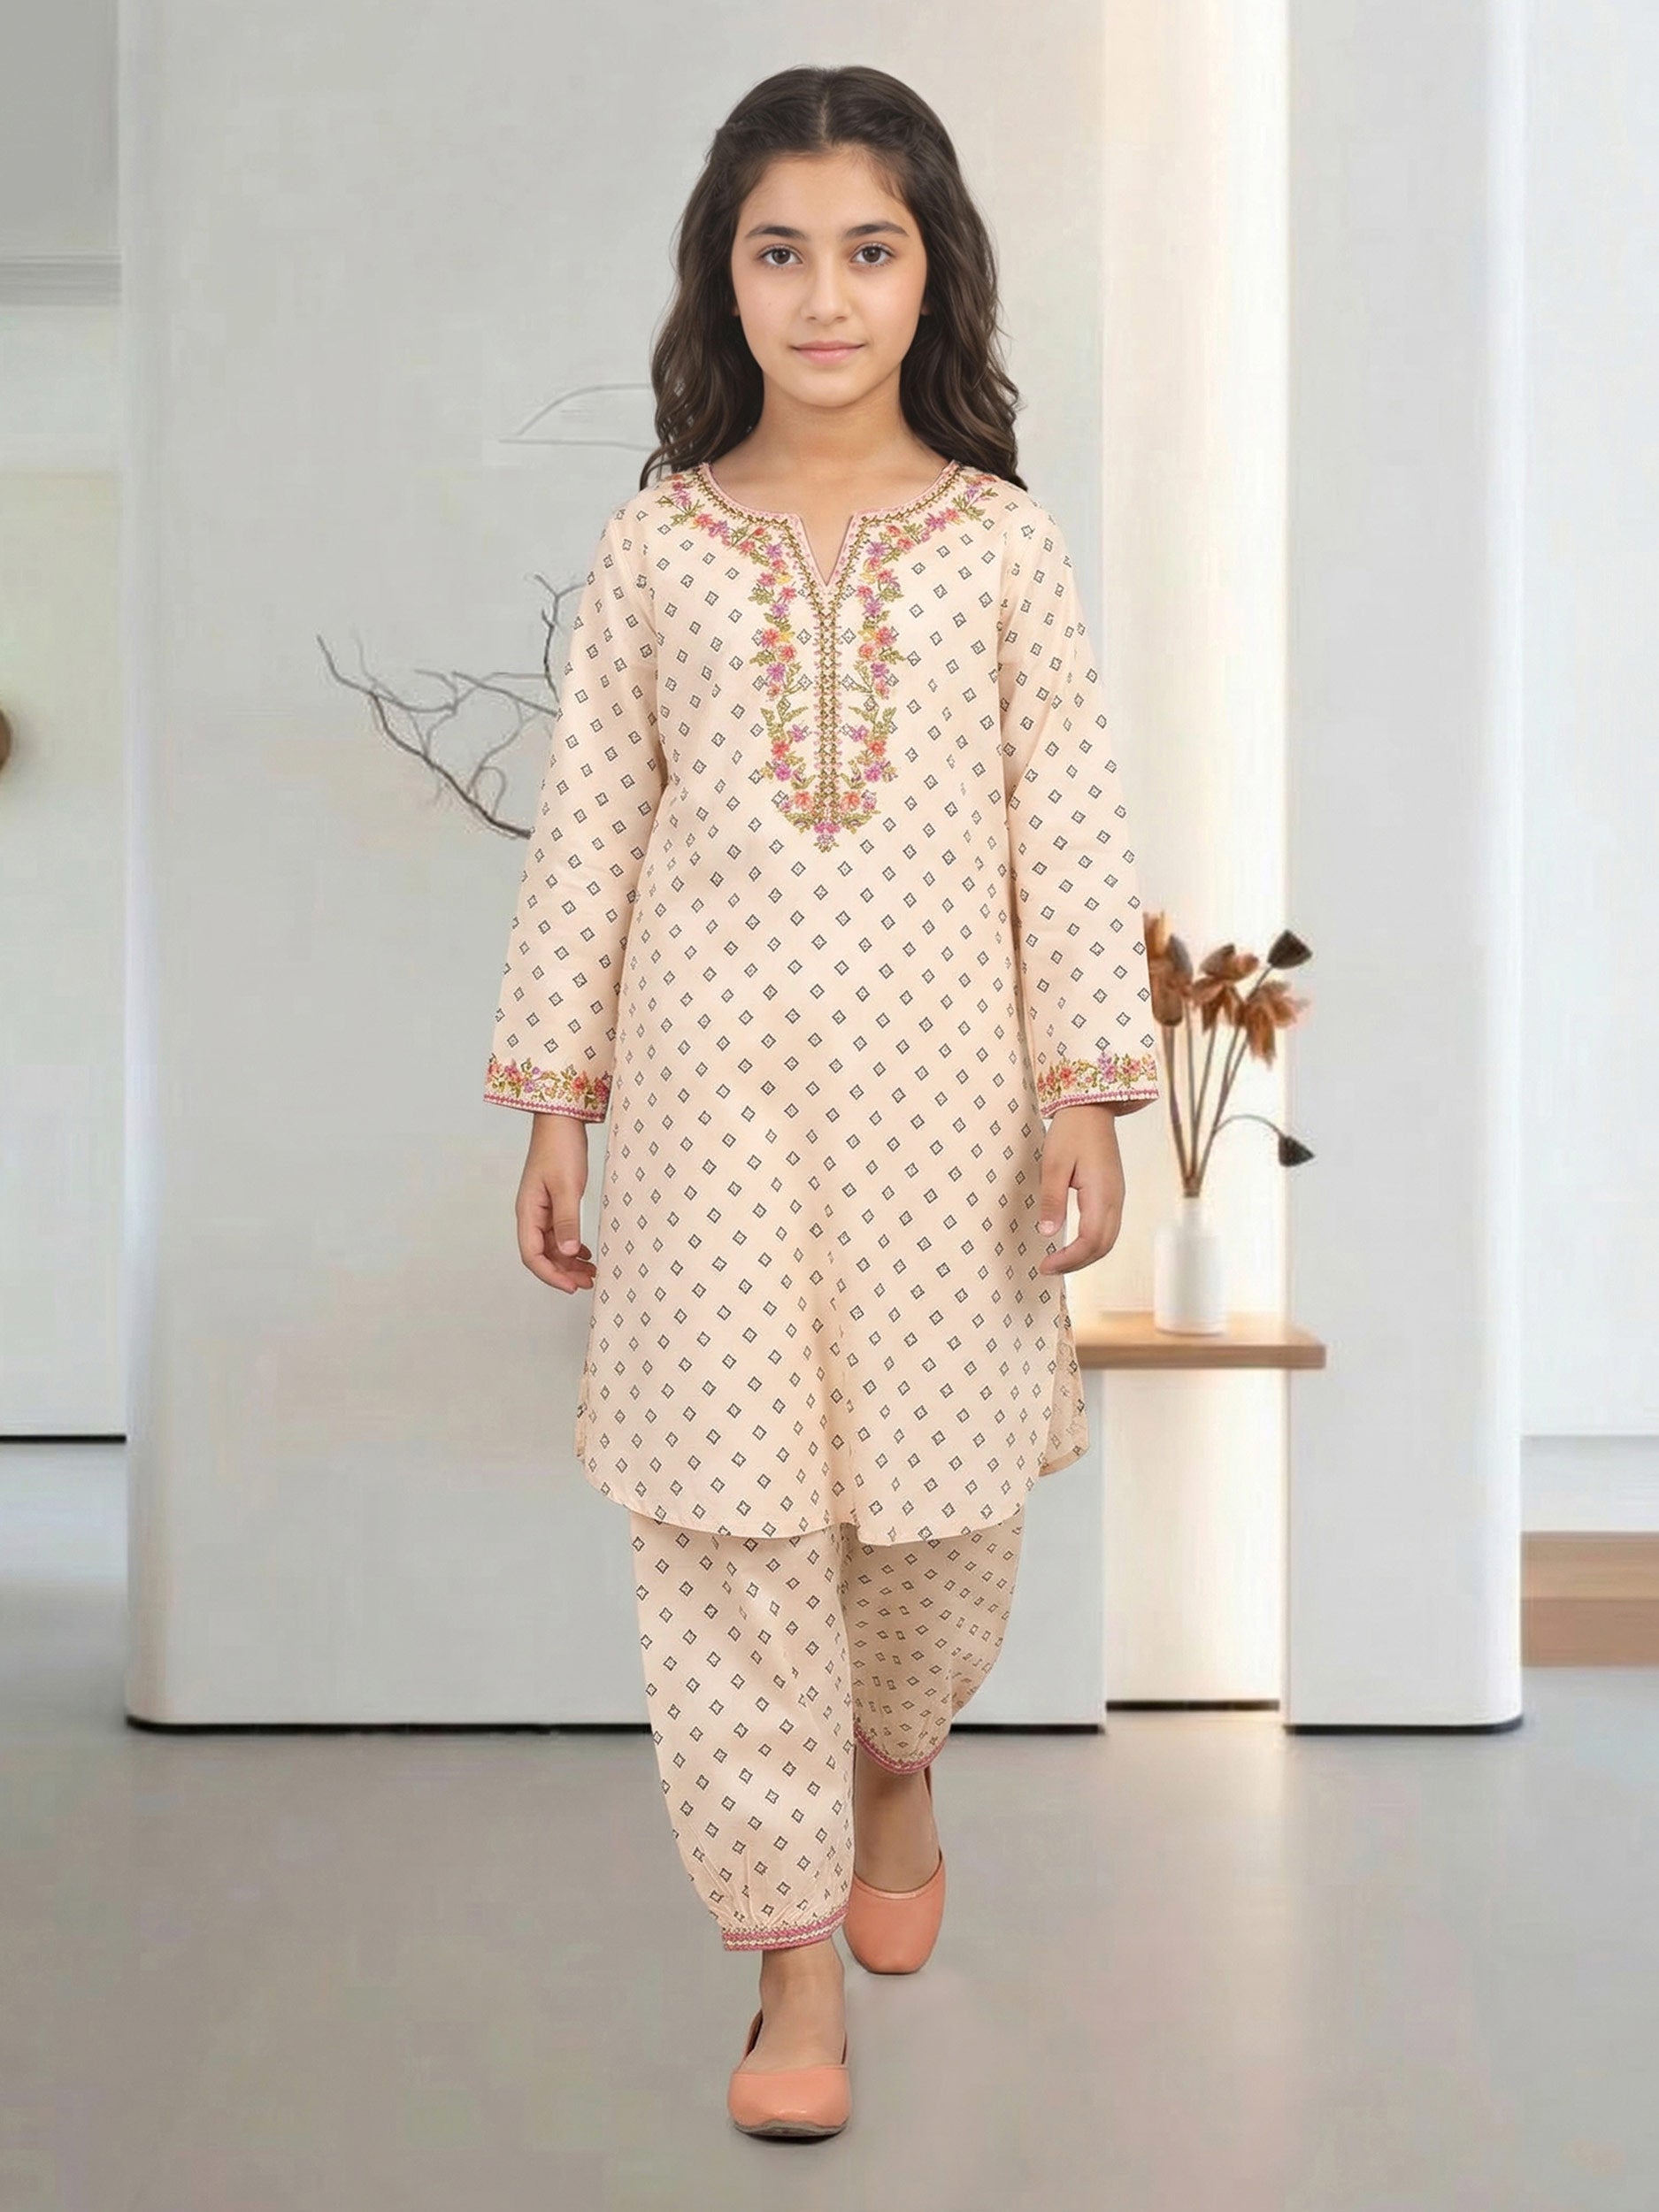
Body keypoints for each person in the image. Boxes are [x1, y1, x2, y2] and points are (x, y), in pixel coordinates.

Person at [483, 63, 1160, 2140]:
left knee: (940, 1522)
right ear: (723, 274)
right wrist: (556, 1100)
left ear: (931, 270)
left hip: (949, 1124)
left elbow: (1065, 825)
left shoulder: (1001, 547)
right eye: (778, 253)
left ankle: (895, 1753)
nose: (824, 297)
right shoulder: (657, 549)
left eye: (867, 250)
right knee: (725, 1525)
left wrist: (1087, 1088)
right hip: (710, 1124)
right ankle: (790, 1976)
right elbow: (590, 830)